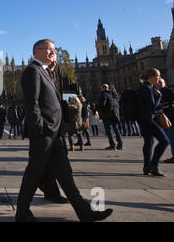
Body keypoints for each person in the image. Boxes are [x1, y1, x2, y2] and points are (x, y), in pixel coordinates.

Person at [15, 39, 113, 222]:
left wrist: (52, 71)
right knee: (34, 173)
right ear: (38, 51)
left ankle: (84, 212)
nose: (54, 53)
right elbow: (32, 103)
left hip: (54, 133)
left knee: (64, 174)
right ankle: (22, 213)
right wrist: (40, 129)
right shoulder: (32, 71)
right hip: (45, 133)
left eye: (54, 50)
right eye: (50, 50)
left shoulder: (45, 72)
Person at [137, 68, 170, 176]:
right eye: (158, 76)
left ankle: (146, 167)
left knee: (149, 143)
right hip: (148, 120)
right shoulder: (147, 89)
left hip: (144, 120)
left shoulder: (144, 88)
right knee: (165, 141)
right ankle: (154, 164)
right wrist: (159, 96)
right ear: (151, 76)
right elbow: (152, 106)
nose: (159, 78)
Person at [98, 84, 124, 150]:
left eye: (101, 88)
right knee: (116, 129)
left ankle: (112, 145)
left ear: (103, 88)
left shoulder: (104, 94)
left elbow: (102, 104)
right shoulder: (113, 95)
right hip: (115, 114)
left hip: (107, 115)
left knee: (109, 130)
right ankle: (120, 145)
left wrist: (98, 107)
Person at [158, 78, 174, 163]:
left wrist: (163, 105)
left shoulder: (168, 91)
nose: (159, 84)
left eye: (161, 82)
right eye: (158, 83)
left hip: (170, 118)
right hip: (163, 118)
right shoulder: (157, 92)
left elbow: (171, 103)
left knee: (171, 138)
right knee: (168, 138)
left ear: (165, 83)